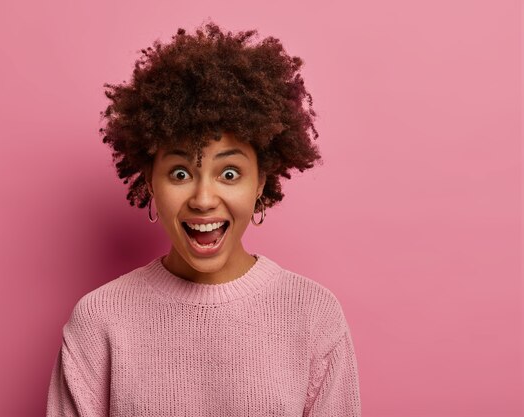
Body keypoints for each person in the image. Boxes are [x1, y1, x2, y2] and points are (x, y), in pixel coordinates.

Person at [46, 21, 361, 417]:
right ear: (150, 181)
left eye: (229, 174)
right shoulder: (100, 320)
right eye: (180, 173)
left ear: (260, 181)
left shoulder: (313, 315)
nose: (203, 199)